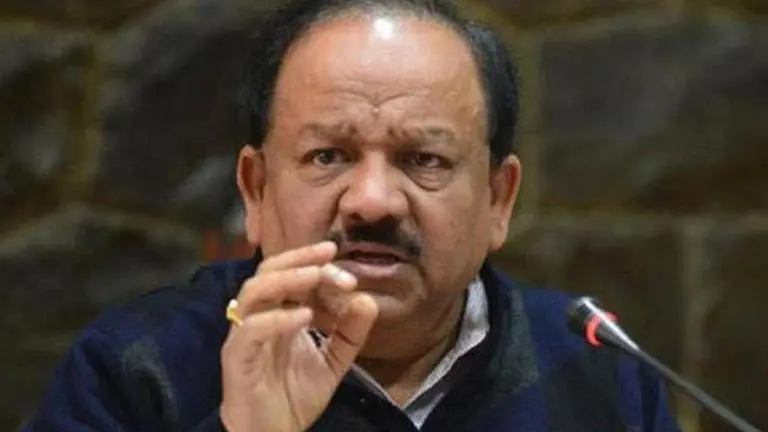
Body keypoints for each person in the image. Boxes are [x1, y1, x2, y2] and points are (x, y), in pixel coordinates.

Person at [21, 0, 681, 431]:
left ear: (498, 200)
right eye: (328, 156)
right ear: (256, 191)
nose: (372, 201)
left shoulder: (602, 375)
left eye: (423, 159)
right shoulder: (133, 371)